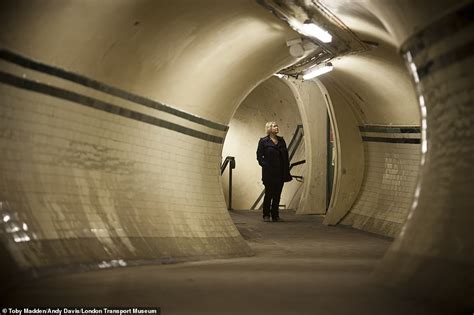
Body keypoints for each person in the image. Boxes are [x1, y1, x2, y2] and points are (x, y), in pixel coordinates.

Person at [256, 121, 292, 222]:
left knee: (277, 194)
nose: (276, 127)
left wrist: (286, 168)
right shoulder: (263, 141)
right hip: (269, 172)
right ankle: (266, 214)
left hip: (280, 172)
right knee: (269, 194)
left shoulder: (281, 140)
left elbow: (285, 155)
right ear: (269, 129)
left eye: (277, 126)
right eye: (274, 126)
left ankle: (275, 215)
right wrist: (266, 165)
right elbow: (259, 156)